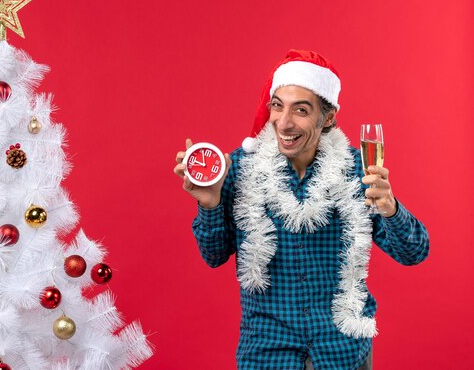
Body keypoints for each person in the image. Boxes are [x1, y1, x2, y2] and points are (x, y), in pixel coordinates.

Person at [173, 50, 429, 370]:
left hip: (342, 350)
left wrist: (390, 209)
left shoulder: (356, 170)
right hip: (268, 350)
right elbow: (213, 257)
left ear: (329, 117)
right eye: (277, 106)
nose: (284, 122)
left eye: (301, 110)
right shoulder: (239, 168)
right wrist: (209, 203)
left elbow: (414, 253)